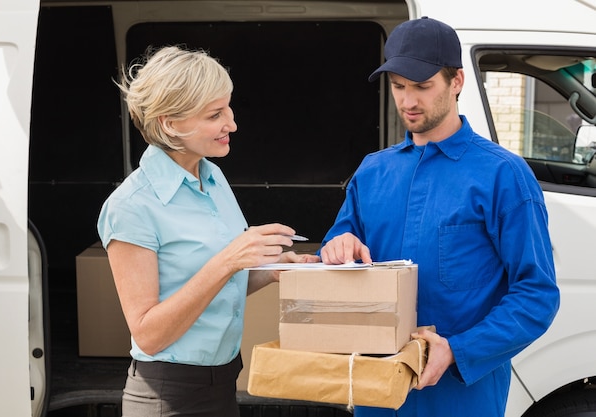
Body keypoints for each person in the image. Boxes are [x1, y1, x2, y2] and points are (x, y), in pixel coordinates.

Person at [319, 17, 560, 417]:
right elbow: (341, 239)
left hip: (462, 397)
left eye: (422, 86)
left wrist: (458, 350)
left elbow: (536, 295)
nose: (408, 101)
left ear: (457, 82)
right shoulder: (372, 172)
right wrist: (337, 244)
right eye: (398, 86)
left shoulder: (503, 175)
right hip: (378, 392)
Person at [97, 45, 319, 417]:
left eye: (228, 108)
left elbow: (218, 287)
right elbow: (149, 335)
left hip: (224, 380)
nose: (232, 123)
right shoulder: (131, 206)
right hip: (168, 396)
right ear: (170, 123)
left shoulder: (212, 178)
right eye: (215, 114)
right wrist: (229, 260)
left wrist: (272, 269)